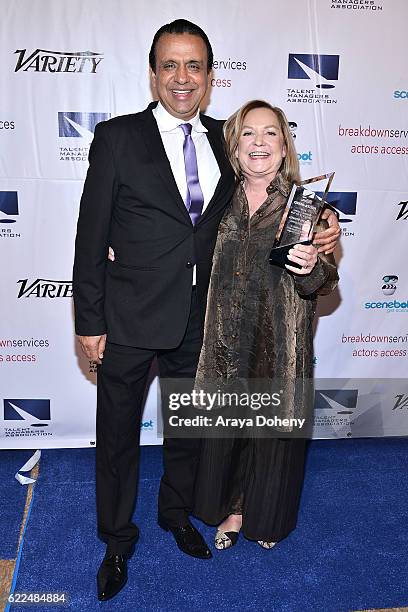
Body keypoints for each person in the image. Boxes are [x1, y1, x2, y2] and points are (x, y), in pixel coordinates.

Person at [73, 19, 340, 601]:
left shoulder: (228, 140)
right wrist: (89, 322)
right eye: (170, 65)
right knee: (116, 436)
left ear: (211, 77)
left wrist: (323, 227)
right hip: (126, 318)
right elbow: (90, 236)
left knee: (187, 433)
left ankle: (176, 513)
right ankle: (117, 538)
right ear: (152, 74)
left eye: (194, 65)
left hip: (200, 320)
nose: (182, 77)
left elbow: (274, 195)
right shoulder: (117, 138)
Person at [192, 100, 339, 551]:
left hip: (279, 342)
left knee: (272, 437)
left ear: (284, 145)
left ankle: (265, 519)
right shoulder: (215, 201)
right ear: (234, 147)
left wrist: (313, 261)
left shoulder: (309, 209)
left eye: (270, 133)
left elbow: (324, 281)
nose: (259, 142)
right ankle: (233, 511)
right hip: (224, 342)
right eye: (249, 134)